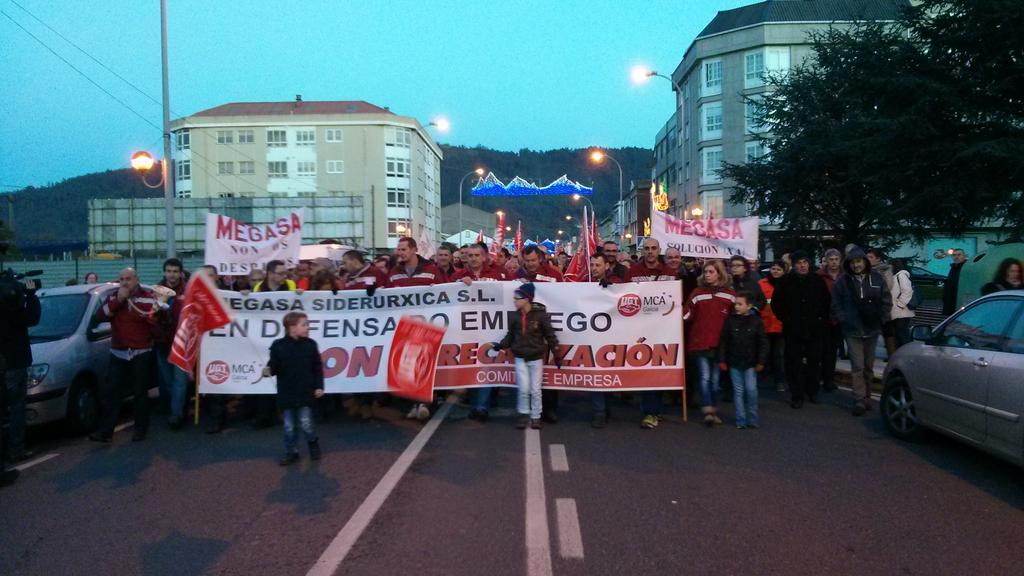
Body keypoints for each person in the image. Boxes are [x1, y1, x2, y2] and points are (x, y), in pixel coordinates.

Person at [89, 268, 165, 443]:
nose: (124, 282)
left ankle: (140, 429)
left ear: (136, 280)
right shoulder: (113, 297)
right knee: (112, 393)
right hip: (119, 352)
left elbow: (157, 322)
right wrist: (119, 300)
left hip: (141, 351)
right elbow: (101, 315)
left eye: (128, 279)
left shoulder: (148, 297)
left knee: (140, 393)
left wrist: (152, 320)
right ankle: (105, 431)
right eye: (122, 279)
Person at [832, 246, 891, 416]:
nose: (856, 265)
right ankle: (859, 399)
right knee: (857, 366)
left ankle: (866, 395)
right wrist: (844, 319)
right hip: (853, 330)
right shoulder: (842, 282)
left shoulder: (877, 279)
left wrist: (882, 319)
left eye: (858, 261)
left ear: (864, 262)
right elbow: (836, 304)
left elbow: (886, 300)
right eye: (852, 262)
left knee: (868, 366)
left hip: (872, 329)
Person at [491, 283, 559, 430]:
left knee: (535, 389)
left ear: (527, 299)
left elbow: (550, 335)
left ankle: (536, 416)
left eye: (517, 297)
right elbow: (510, 336)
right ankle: (523, 414)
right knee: (523, 388)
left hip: (536, 358)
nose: (514, 300)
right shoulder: (514, 316)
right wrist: (501, 345)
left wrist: (556, 352)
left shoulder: (541, 315)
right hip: (520, 357)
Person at [388, 237, 442, 420]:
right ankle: (413, 404)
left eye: (403, 249)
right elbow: (387, 297)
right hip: (404, 327)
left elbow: (447, 293)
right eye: (398, 249)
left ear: (413, 250)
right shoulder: (394, 273)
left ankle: (425, 403)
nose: (399, 253)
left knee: (425, 365)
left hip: (428, 326)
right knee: (407, 367)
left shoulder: (432, 271)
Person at [772, 251, 831, 409]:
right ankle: (796, 395)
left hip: (814, 329)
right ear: (793, 264)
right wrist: (787, 319)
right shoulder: (785, 281)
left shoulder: (817, 281)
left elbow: (826, 303)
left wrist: (821, 321)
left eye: (805, 262)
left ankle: (812, 392)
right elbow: (777, 304)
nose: (802, 265)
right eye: (799, 262)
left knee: (814, 362)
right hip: (793, 329)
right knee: (793, 363)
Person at [263, 311, 324, 466]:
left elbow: (317, 368)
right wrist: (268, 369)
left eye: (307, 324)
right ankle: (292, 452)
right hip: (287, 393)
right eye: (304, 325)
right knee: (289, 426)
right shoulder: (278, 346)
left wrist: (319, 386)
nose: (307, 328)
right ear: (292, 327)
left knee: (306, 423)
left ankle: (312, 442)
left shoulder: (310, 345)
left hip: (305, 392)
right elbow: (274, 366)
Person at [629, 238, 675, 428]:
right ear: (642, 250)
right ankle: (650, 411)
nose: (650, 252)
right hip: (640, 329)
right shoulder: (633, 272)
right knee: (646, 371)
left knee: (659, 370)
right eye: (646, 248)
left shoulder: (670, 273)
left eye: (653, 248)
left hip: (665, 329)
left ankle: (653, 411)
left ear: (659, 250)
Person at [683, 260, 735, 427]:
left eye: (711, 272)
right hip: (700, 342)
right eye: (705, 272)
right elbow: (687, 315)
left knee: (714, 379)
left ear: (719, 273)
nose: (707, 275)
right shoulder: (697, 293)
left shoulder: (730, 294)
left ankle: (713, 407)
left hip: (720, 344)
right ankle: (708, 410)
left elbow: (737, 316)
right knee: (705, 377)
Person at [1, 269, 41, 465]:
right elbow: (32, 318)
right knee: (17, 407)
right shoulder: (12, 304)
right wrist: (31, 295)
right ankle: (16, 449)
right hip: (15, 361)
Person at [718, 291, 769, 429]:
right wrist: (722, 360)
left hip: (751, 362)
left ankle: (752, 418)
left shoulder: (757, 321)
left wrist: (761, 361)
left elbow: (763, 342)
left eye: (740, 304)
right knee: (738, 391)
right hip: (734, 361)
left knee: (751, 390)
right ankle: (741, 420)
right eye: (736, 304)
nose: (736, 307)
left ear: (749, 306)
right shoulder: (730, 321)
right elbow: (724, 341)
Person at [153, 258, 189, 429]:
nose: (172, 275)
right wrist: (158, 307)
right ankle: (179, 406)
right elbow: (150, 315)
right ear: (164, 272)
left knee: (179, 381)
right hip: (162, 343)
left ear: (181, 273)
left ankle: (176, 415)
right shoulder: (157, 290)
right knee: (169, 381)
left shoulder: (188, 289)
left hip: (181, 343)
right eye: (169, 271)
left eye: (175, 271)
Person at [758, 260, 787, 392]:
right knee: (764, 353)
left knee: (779, 355)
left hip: (781, 326)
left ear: (784, 272)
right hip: (764, 325)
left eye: (779, 269)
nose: (775, 271)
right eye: (773, 268)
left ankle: (779, 380)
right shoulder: (761, 284)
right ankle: (763, 377)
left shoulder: (787, 285)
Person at [817, 248, 843, 392]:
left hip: (838, 319)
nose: (833, 262)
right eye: (831, 259)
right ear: (826, 261)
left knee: (833, 351)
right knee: (822, 350)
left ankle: (829, 379)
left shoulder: (844, 276)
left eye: (836, 259)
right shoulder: (819, 276)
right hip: (823, 319)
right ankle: (818, 377)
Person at [889, 259, 916, 349]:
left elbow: (907, 291)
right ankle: (898, 354)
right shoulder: (897, 276)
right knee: (898, 334)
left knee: (902, 334)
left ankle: (906, 353)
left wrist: (900, 304)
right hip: (898, 311)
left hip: (902, 311)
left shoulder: (901, 275)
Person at [942, 248, 967, 315]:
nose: (956, 257)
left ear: (964, 256)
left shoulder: (967, 268)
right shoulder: (953, 268)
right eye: (954, 255)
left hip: (961, 306)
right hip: (950, 305)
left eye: (959, 255)